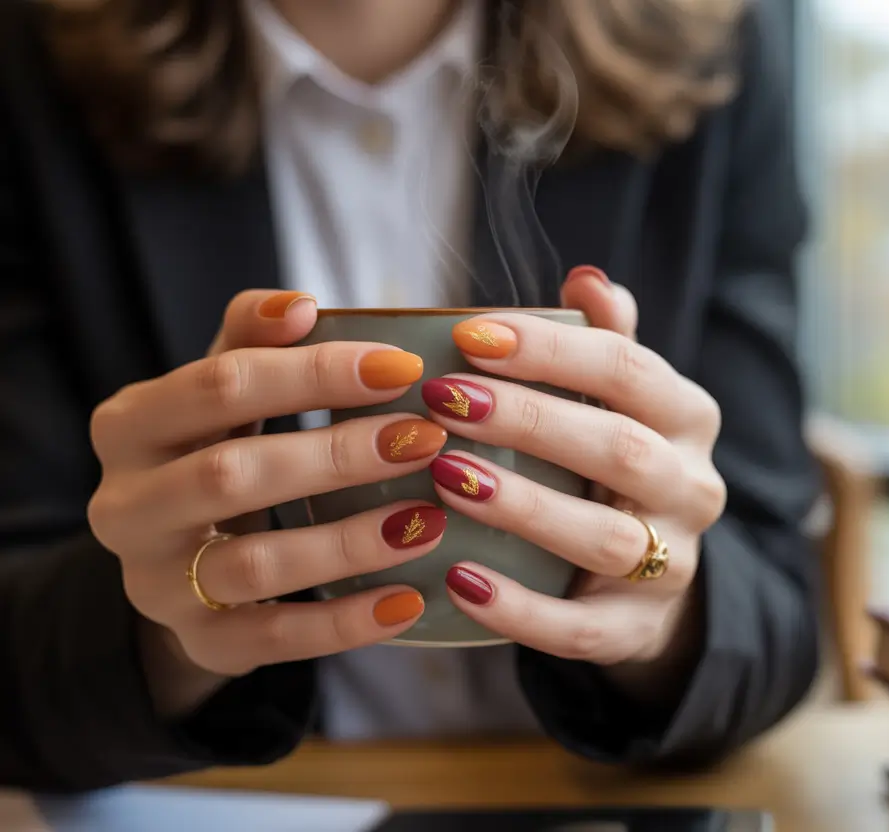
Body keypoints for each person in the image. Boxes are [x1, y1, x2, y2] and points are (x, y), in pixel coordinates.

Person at [0, 0, 821, 791]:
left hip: (586, 794)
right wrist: (166, 631)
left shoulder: (707, 45)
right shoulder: (31, 63)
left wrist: (662, 613)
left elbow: (782, 619)